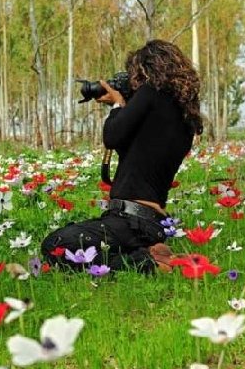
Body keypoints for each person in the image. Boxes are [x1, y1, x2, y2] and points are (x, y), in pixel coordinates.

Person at [41, 40, 203, 273]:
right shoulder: (184, 118)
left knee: (56, 244)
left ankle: (148, 262)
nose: (132, 81)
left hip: (129, 220)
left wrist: (118, 107)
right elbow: (139, 153)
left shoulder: (149, 93)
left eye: (135, 74)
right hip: (152, 224)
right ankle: (147, 254)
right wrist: (128, 107)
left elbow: (112, 137)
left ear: (147, 69)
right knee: (90, 246)